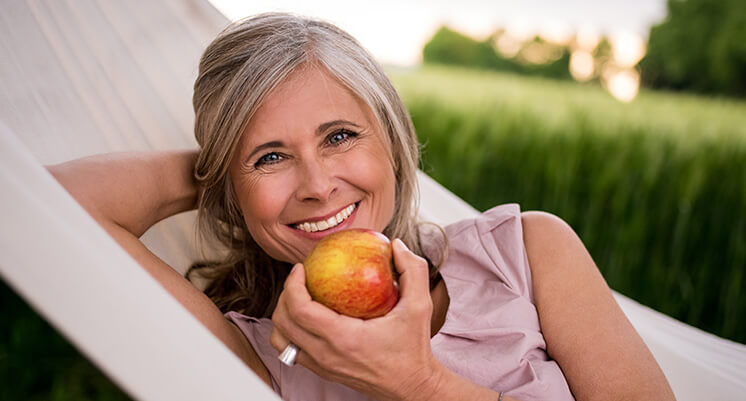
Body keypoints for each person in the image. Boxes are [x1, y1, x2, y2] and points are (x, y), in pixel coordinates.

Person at [47, 12, 675, 401]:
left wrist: (420, 386)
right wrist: (223, 175)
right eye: (271, 157)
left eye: (340, 137)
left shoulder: (524, 254)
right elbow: (47, 206)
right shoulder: (258, 357)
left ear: (393, 142)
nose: (318, 184)